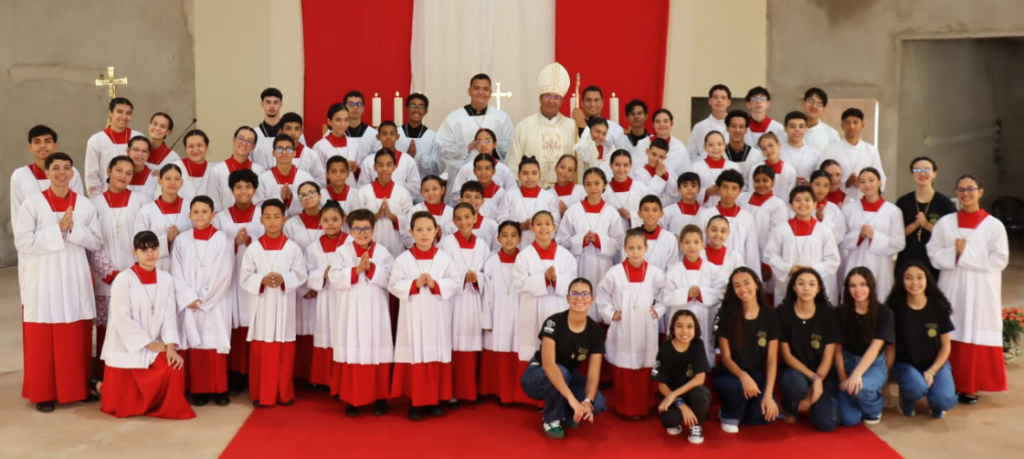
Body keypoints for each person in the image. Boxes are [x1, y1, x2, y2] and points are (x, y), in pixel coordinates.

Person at [15, 152, 102, 412]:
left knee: (74, 336)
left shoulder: (85, 205)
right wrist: (58, 229)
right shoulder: (32, 204)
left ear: (73, 173)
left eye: (67, 168)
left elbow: (96, 240)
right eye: (56, 168)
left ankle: (76, 388)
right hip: (43, 275)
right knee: (43, 337)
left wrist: (73, 229)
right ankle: (43, 392)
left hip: (74, 273)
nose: (62, 172)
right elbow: (22, 241)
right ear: (47, 172)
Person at [927, 175, 1009, 404]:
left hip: (980, 289)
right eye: (961, 190)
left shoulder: (994, 226)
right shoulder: (946, 223)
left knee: (974, 329)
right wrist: (953, 253)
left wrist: (965, 253)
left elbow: (1000, 260)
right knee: (951, 330)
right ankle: (946, 383)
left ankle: (970, 385)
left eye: (971, 189)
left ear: (980, 192)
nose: (966, 194)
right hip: (952, 285)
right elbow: (933, 253)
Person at [99, 231, 194, 420]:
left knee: (174, 367)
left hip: (157, 341)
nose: (150, 254)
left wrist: (169, 346)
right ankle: (102, 387)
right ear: (134, 252)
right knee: (120, 405)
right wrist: (150, 345)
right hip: (128, 344)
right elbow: (122, 318)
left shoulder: (166, 279)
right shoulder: (124, 280)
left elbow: (169, 316)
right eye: (144, 250)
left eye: (154, 248)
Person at [388, 211, 462, 420]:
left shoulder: (444, 258)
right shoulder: (403, 259)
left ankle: (436, 400)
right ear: (411, 232)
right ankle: (416, 402)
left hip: (437, 314)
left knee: (435, 354)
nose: (424, 234)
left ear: (436, 231)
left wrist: (436, 284)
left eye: (429, 229)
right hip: (412, 315)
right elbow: (393, 285)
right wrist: (414, 284)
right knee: (415, 355)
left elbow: (455, 283)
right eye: (419, 230)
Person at [520, 277, 608, 439]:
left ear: (592, 299)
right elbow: (548, 365)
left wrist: (587, 401)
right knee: (561, 372)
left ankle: (569, 413)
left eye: (584, 294)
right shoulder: (554, 322)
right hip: (538, 374)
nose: (579, 298)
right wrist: (572, 399)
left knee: (599, 401)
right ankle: (551, 419)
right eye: (574, 294)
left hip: (567, 375)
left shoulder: (595, 331)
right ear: (567, 298)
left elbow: (594, 373)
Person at [241, 199, 308, 407]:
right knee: (262, 351)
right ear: (261, 220)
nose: (272, 221)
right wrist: (260, 280)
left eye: (277, 217)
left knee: (284, 350)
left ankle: (283, 393)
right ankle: (261, 395)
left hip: (284, 304)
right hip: (261, 306)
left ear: (284, 219)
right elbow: (244, 277)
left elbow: (300, 274)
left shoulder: (292, 248)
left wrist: (284, 279)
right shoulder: (253, 248)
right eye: (268, 217)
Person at [171, 195, 234, 407]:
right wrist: (188, 297)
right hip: (190, 303)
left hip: (214, 301)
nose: (200, 216)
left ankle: (219, 389)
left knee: (215, 343)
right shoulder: (182, 240)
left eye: (204, 212)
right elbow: (176, 271)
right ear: (190, 215)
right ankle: (198, 390)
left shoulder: (221, 239)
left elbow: (224, 272)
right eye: (196, 212)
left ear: (213, 215)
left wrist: (204, 298)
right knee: (194, 343)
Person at [331, 208, 394, 416]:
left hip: (376, 309)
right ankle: (353, 398)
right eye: (357, 228)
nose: (362, 233)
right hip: (351, 310)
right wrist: (356, 270)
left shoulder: (383, 252)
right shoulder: (342, 252)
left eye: (366, 228)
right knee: (354, 349)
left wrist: (372, 270)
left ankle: (380, 398)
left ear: (373, 230)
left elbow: (391, 280)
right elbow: (335, 277)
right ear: (349, 231)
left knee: (378, 350)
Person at [598, 228, 666, 418]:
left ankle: (645, 405)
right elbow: (602, 294)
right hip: (624, 326)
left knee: (645, 365)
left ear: (646, 248)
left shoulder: (654, 273)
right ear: (625, 249)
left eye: (639, 248)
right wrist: (611, 313)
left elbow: (665, 294)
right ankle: (624, 407)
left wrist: (658, 310)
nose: (635, 252)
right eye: (631, 248)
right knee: (624, 368)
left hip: (645, 326)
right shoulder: (615, 272)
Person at [90, 156, 148, 378]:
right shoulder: (94, 203)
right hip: (106, 277)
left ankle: (134, 373)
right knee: (108, 326)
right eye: (119, 170)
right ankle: (109, 375)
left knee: (135, 323)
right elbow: (93, 242)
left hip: (135, 273)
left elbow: (144, 237)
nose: (123, 176)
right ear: (108, 170)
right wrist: (110, 272)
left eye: (129, 173)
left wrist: (136, 269)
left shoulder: (141, 201)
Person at [211, 169, 265, 394]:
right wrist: (234, 243)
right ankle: (234, 374)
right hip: (231, 278)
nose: (244, 191)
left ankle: (254, 374)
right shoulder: (221, 217)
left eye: (248, 187)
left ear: (255, 189)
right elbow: (214, 248)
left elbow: (270, 244)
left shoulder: (263, 213)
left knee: (254, 323)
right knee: (233, 324)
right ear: (231, 190)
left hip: (255, 278)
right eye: (239, 187)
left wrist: (250, 241)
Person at [712, 267, 780, 433]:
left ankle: (742, 408)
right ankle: (728, 414)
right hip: (730, 374)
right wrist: (743, 376)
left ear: (756, 284)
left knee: (767, 415)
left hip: (757, 375)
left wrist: (769, 394)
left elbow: (772, 359)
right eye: (737, 285)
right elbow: (726, 358)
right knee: (738, 389)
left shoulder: (769, 316)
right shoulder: (726, 315)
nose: (743, 289)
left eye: (746, 283)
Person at [886, 262, 957, 418]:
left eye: (920, 278)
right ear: (901, 281)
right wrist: (887, 376)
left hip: (934, 364)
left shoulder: (938, 307)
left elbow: (946, 346)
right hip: (906, 365)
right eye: (909, 278)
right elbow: (891, 346)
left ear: (927, 280)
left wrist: (932, 370)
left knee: (944, 400)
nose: (914, 283)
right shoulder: (895, 309)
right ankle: (908, 400)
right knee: (916, 387)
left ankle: (936, 403)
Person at [514, 211, 579, 376]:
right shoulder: (524, 256)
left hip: (558, 309)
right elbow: (519, 284)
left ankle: (557, 393)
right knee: (534, 350)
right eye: (539, 224)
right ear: (532, 227)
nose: (543, 227)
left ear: (554, 227)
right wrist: (543, 279)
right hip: (531, 311)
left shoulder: (566, 256)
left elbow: (573, 286)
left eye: (547, 224)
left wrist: (556, 280)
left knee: (558, 352)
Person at [437, 203, 490, 405]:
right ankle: (450, 392)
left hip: (472, 301)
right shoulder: (446, 244)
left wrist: (477, 279)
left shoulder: (483, 245)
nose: (463, 222)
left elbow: (487, 273)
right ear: (453, 221)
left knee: (470, 344)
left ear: (475, 218)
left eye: (467, 217)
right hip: (452, 302)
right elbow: (440, 271)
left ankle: (469, 391)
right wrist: (461, 277)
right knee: (452, 344)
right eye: (458, 218)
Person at [556, 167, 624, 323]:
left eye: (597, 183)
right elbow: (561, 241)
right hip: (580, 265)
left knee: (603, 300)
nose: (593, 188)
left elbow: (619, 243)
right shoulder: (573, 211)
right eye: (588, 184)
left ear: (604, 185)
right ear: (584, 186)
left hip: (604, 266)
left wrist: (599, 241)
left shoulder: (611, 212)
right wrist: (582, 241)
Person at [776, 268, 840, 432]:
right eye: (801, 284)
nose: (806, 288)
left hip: (822, 374)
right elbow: (787, 356)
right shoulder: (783, 313)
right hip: (795, 372)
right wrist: (813, 378)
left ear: (818, 288)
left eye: (812, 284)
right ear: (794, 287)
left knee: (826, 424)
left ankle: (811, 403)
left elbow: (828, 357)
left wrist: (815, 385)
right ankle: (792, 408)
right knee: (794, 382)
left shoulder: (828, 314)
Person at [480, 221, 533, 406]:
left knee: (518, 351)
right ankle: (500, 392)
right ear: (498, 238)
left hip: (520, 313)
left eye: (513, 235)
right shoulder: (492, 262)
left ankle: (518, 394)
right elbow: (485, 292)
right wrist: (486, 319)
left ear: (520, 238)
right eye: (504, 235)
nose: (509, 239)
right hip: (498, 313)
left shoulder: (526, 260)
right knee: (500, 352)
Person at [835, 268, 892, 426]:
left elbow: (875, 347)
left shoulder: (884, 313)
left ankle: (874, 407)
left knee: (861, 389)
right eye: (852, 285)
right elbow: (837, 348)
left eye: (862, 284)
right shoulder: (840, 312)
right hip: (847, 362)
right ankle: (858, 398)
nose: (858, 290)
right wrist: (843, 377)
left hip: (873, 364)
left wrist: (857, 374)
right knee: (849, 420)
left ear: (871, 286)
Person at [764, 186, 841, 303]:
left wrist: (812, 270)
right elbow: (770, 255)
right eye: (798, 200)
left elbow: (833, 260)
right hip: (788, 280)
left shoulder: (824, 230)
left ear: (815, 204)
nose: (803, 203)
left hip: (814, 283)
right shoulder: (781, 229)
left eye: (807, 199)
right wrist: (788, 269)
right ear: (790, 205)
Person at [506, 63, 577, 188]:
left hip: (564, 195)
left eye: (556, 97)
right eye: (547, 96)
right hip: (531, 195)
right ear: (540, 98)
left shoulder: (572, 127)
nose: (551, 101)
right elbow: (513, 167)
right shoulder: (524, 127)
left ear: (561, 101)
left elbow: (581, 164)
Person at [303, 201, 349, 390]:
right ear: (320, 222)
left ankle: (342, 378)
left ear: (343, 220)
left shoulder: (350, 242)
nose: (330, 224)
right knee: (325, 333)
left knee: (343, 333)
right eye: (326, 220)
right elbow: (308, 271)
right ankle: (324, 378)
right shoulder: (314, 247)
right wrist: (321, 273)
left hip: (345, 295)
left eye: (335, 219)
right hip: (325, 296)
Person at [841, 168, 905, 301]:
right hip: (855, 261)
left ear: (880, 182)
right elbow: (840, 239)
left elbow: (899, 242)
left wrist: (874, 236)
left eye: (871, 180)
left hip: (881, 265)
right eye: (862, 181)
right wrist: (859, 236)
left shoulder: (893, 211)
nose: (867, 185)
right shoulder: (848, 209)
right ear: (858, 185)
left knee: (880, 299)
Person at [283, 182, 325, 384]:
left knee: (322, 327)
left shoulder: (330, 219)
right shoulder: (292, 224)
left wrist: (319, 283)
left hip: (325, 287)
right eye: (303, 195)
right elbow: (287, 257)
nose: (308, 197)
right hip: (300, 286)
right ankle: (301, 374)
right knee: (302, 327)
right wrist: (302, 288)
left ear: (319, 195)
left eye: (311, 193)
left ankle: (320, 375)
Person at [662, 225, 721, 365]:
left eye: (696, 242)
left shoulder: (712, 269)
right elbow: (666, 297)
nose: (691, 246)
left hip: (705, 316)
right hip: (681, 320)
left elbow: (721, 292)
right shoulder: (673, 271)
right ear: (681, 245)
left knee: (703, 351)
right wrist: (685, 294)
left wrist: (702, 294)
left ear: (702, 244)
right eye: (687, 242)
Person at [436, 74, 515, 176]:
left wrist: (491, 144)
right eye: (476, 88)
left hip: (493, 176)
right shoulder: (454, 118)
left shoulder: (501, 118)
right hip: (463, 176)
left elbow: (511, 147)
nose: (481, 92)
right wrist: (467, 147)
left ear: (490, 92)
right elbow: (441, 147)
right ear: (469, 91)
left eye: (485, 89)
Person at [654, 310, 712, 443]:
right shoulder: (665, 349)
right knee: (670, 421)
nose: (684, 331)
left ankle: (696, 424)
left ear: (695, 328)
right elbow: (661, 385)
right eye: (679, 326)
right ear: (673, 328)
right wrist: (680, 404)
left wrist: (674, 395)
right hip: (672, 396)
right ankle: (681, 416)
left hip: (690, 393)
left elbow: (700, 379)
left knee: (702, 394)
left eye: (689, 326)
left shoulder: (697, 345)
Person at [10, 126, 84, 229]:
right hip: (35, 240)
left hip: (69, 238)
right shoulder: (20, 176)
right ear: (30, 147)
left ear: (55, 146)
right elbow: (17, 216)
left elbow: (80, 208)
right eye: (37, 142)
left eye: (47, 141)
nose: (43, 146)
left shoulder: (70, 172)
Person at [895, 157, 956, 278]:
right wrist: (914, 225)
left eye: (927, 169)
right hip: (907, 259)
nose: (922, 173)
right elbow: (895, 235)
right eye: (917, 170)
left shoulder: (945, 204)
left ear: (934, 174)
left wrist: (927, 225)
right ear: (912, 174)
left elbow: (950, 236)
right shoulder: (903, 202)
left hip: (934, 261)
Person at [739, 165, 789, 300]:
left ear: (773, 182)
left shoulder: (778, 205)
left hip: (763, 256)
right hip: (741, 251)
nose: (761, 184)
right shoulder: (742, 198)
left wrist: (767, 263)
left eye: (765, 180)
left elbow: (776, 237)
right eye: (757, 180)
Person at [352, 149, 414, 257]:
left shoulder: (403, 193)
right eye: (380, 165)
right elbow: (355, 220)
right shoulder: (363, 192)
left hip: (395, 243)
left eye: (389, 165)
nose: (384, 169)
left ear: (394, 167)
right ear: (375, 167)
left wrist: (392, 217)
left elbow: (410, 221)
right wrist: (376, 216)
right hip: (369, 242)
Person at [697, 170, 761, 274]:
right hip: (708, 270)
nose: (729, 192)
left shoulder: (747, 218)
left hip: (738, 271)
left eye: (734, 188)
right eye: (725, 187)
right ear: (718, 189)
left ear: (740, 191)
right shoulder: (706, 216)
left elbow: (751, 253)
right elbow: (700, 246)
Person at [134, 164, 192, 272]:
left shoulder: (191, 208)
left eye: (176, 179)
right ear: (160, 181)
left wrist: (181, 237)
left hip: (186, 264)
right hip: (158, 266)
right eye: (168, 178)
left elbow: (197, 237)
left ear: (182, 182)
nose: (172, 182)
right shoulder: (147, 211)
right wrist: (166, 240)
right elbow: (139, 244)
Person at [820, 108, 886, 201]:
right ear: (842, 126)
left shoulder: (871, 150)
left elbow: (880, 178)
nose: (852, 126)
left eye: (856, 122)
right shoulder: (831, 149)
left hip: (863, 199)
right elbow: (821, 177)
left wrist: (863, 183)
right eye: (847, 123)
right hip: (836, 200)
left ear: (862, 124)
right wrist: (845, 183)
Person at [85, 97, 145, 196]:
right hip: (105, 196)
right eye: (119, 112)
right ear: (110, 112)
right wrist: (100, 199)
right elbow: (91, 175)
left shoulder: (138, 138)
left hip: (134, 195)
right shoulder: (96, 140)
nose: (124, 116)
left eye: (128, 113)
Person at [448, 128, 519, 207]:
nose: (483, 145)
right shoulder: (466, 168)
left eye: (488, 141)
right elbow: (456, 195)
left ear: (495, 144)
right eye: (479, 141)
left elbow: (513, 194)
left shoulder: (504, 170)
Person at [504, 157, 561, 247]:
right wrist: (521, 226)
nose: (530, 177)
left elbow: (555, 224)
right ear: (519, 175)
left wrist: (540, 230)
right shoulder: (509, 196)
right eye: (525, 173)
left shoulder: (549, 198)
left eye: (534, 173)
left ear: (540, 175)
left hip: (542, 246)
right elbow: (501, 222)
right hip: (515, 246)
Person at [358, 121, 423, 200]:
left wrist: (393, 186)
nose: (388, 137)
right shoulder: (369, 161)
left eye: (392, 134)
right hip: (374, 202)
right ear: (378, 137)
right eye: (384, 134)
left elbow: (416, 187)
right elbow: (362, 187)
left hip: (400, 203)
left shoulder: (408, 160)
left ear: (397, 136)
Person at [208, 127, 266, 211]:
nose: (244, 143)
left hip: (253, 221)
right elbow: (214, 202)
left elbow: (260, 201)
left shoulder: (259, 171)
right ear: (234, 139)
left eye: (249, 141)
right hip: (225, 221)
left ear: (254, 146)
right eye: (240, 138)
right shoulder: (218, 170)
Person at [257, 135, 316, 217]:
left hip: (299, 224)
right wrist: (280, 197)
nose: (284, 152)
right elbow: (258, 205)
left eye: (288, 149)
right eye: (279, 149)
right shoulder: (263, 178)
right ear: (273, 153)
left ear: (294, 153)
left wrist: (291, 199)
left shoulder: (306, 178)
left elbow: (312, 203)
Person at [253, 88, 306, 170]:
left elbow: (303, 158)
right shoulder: (254, 134)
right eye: (268, 102)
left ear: (281, 104)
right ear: (262, 104)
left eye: (276, 102)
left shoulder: (294, 134)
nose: (271, 106)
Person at [397, 93, 444, 179]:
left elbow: (438, 169)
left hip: (423, 187)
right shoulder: (395, 134)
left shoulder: (433, 137)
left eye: (421, 107)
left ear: (426, 111)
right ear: (406, 109)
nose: (417, 110)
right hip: (398, 185)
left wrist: (417, 156)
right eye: (413, 105)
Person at [632, 109, 690, 176]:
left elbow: (685, 173)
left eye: (665, 121)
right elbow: (635, 170)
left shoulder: (679, 147)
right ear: (653, 125)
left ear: (671, 124)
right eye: (657, 122)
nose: (662, 124)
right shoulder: (642, 144)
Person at [312, 103, 359, 183]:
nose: (343, 124)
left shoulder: (355, 143)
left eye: (346, 120)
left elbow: (360, 175)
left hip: (351, 190)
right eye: (338, 120)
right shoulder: (320, 146)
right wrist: (342, 168)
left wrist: (356, 169)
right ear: (329, 121)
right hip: (329, 191)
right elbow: (316, 175)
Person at [604, 150, 650, 231]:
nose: (621, 169)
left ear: (630, 166)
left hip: (636, 237)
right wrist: (613, 214)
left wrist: (631, 215)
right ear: (610, 165)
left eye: (625, 165)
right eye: (617, 164)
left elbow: (650, 214)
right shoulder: (604, 191)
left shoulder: (641, 188)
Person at [691, 131, 739, 207]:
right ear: (704, 147)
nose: (715, 148)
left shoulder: (733, 167)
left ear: (725, 145)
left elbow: (740, 190)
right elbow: (690, 190)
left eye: (719, 144)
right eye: (711, 145)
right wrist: (707, 192)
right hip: (704, 209)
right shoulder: (696, 168)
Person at [402, 175, 452, 248]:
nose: (431, 193)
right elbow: (408, 237)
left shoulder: (451, 212)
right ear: (421, 192)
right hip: (420, 255)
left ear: (442, 190)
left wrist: (440, 235)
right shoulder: (416, 210)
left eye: (435, 189)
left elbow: (454, 237)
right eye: (426, 190)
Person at [687, 84, 733, 163]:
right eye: (715, 97)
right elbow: (690, 155)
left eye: (723, 98)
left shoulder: (735, 127)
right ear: (710, 101)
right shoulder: (699, 127)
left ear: (729, 102)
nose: (719, 100)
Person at [169, 129, 216, 205]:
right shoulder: (173, 168)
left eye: (200, 145)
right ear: (185, 149)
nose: (195, 150)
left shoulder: (214, 172)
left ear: (207, 147)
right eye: (191, 146)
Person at [631, 138, 680, 206]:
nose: (656, 159)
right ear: (647, 151)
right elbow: (646, 197)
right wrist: (658, 177)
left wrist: (665, 176)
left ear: (665, 158)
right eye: (654, 154)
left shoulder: (669, 171)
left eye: (661, 157)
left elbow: (676, 193)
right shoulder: (638, 174)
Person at [638, 195, 679, 272]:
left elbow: (672, 269)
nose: (650, 214)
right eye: (646, 210)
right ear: (639, 213)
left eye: (655, 210)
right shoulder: (631, 238)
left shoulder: (670, 239)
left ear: (661, 213)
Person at [779, 111, 821, 186]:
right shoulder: (777, 151)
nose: (797, 130)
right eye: (792, 126)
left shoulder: (815, 153)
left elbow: (818, 178)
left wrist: (808, 182)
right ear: (785, 129)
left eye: (801, 126)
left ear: (806, 129)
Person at [724, 110, 766, 180]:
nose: (737, 130)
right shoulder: (720, 154)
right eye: (733, 126)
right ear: (727, 129)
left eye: (741, 127)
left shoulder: (757, 156)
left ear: (746, 130)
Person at [754, 132, 797, 198]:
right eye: (764, 148)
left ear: (779, 144)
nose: (768, 150)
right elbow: (752, 190)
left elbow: (790, 195)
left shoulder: (790, 171)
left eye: (771, 145)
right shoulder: (756, 168)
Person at [343, 91, 381, 163]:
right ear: (344, 107)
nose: (355, 107)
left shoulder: (373, 134)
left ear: (363, 108)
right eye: (351, 104)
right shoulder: (337, 132)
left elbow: (378, 158)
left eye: (359, 104)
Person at [574, 117, 615, 182]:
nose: (600, 136)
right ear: (589, 131)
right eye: (597, 132)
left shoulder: (610, 149)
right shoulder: (580, 147)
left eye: (604, 134)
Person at [801, 88, 841, 152]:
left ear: (823, 109)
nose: (814, 106)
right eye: (811, 101)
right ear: (803, 103)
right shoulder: (789, 131)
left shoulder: (831, 134)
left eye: (819, 104)